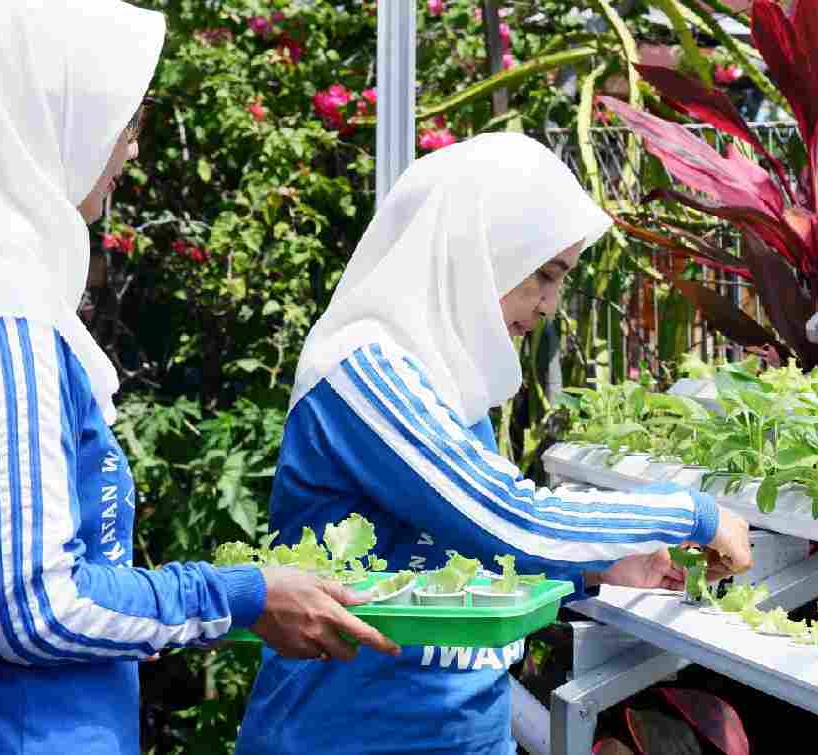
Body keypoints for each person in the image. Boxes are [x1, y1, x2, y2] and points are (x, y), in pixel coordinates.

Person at [235, 132, 753, 755]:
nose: (550, 304)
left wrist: (600, 567)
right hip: (346, 736)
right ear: (476, 250)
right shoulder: (364, 373)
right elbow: (511, 519)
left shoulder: (448, 385)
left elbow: (463, 553)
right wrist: (690, 513)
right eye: (543, 274)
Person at [0, 2, 396, 753]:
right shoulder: (4, 317)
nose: (130, 150)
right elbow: (35, 604)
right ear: (45, 109)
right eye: (124, 120)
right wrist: (240, 595)